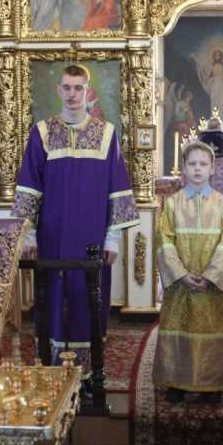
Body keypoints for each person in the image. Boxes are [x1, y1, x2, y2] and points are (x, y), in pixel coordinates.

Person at [12, 65, 139, 396]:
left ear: (87, 91)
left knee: (87, 301)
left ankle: (87, 374)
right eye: (67, 88)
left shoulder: (106, 134)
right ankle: (53, 371)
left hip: (92, 238)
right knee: (52, 300)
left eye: (78, 88)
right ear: (59, 90)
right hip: (51, 237)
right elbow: (29, 187)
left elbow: (117, 188)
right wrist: (28, 234)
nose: (72, 94)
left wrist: (113, 237)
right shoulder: (41, 132)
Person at [153, 141, 223, 404]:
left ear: (212, 168)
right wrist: (180, 274)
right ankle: (176, 381)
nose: (197, 169)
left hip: (211, 286)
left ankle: (211, 385)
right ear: (184, 168)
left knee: (210, 329)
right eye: (192, 164)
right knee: (179, 327)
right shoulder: (172, 204)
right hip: (181, 284)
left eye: (203, 164)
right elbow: (164, 242)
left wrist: (211, 276)